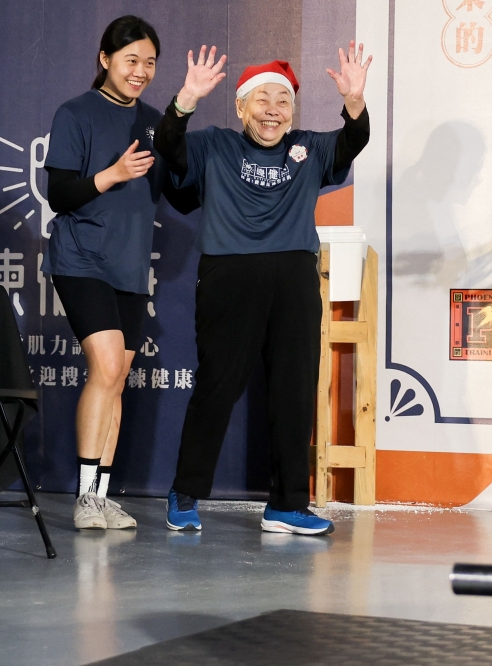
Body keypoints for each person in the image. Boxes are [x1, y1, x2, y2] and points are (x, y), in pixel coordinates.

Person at [154, 43, 372, 535]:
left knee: (295, 388)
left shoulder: (310, 148)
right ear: (241, 107)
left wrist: (354, 100)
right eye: (262, 99)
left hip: (294, 277)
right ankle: (185, 491)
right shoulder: (214, 145)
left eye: (283, 101)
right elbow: (169, 145)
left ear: (293, 110)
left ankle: (287, 505)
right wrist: (186, 99)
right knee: (218, 385)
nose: (273, 110)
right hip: (229, 275)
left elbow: (352, 139)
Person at [41, 15, 198, 530]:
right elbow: (59, 194)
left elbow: (180, 193)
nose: (140, 71)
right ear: (105, 59)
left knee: (118, 378)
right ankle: (85, 497)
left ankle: (102, 496)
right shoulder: (75, 113)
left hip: (130, 266)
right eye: (131, 60)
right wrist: (112, 174)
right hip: (81, 257)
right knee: (106, 368)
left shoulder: (154, 122)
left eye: (149, 63)